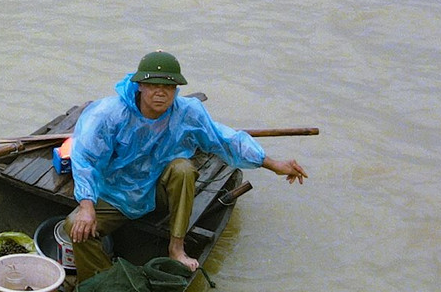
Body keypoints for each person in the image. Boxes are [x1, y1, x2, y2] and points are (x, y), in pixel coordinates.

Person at [67, 50, 307, 275]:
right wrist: (87, 206)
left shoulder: (187, 112)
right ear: (140, 85)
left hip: (158, 191)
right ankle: (101, 285)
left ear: (176, 89)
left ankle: (176, 248)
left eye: (168, 87)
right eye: (153, 85)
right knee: (74, 226)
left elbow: (224, 139)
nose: (160, 93)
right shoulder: (109, 114)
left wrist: (273, 164)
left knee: (183, 168)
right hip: (116, 193)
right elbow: (85, 159)